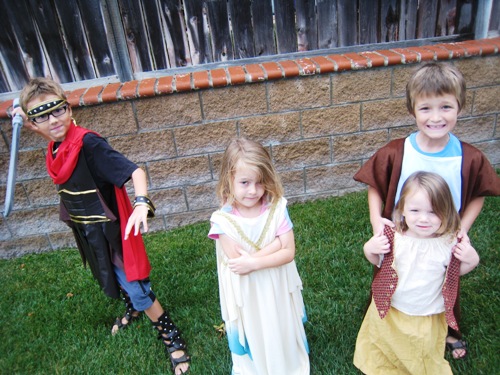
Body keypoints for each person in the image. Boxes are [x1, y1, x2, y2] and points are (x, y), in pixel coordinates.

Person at [14, 77, 190, 375]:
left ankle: (171, 335)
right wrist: (21, 114)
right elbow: (37, 122)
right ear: (33, 123)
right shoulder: (56, 147)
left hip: (114, 232)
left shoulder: (89, 145)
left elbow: (135, 172)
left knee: (136, 287)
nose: (52, 120)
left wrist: (142, 202)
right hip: (89, 229)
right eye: (41, 116)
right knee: (109, 275)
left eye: (57, 111)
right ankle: (134, 308)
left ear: (69, 110)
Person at [353, 62, 500, 359]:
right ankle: (386, 320)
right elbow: (375, 185)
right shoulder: (398, 151)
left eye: (446, 107)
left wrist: (463, 227)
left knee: (445, 280)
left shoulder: (468, 157)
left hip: (442, 233)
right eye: (426, 109)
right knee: (394, 276)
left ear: (460, 107)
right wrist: (375, 221)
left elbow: (478, 196)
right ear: (412, 111)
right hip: (404, 233)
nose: (436, 117)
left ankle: (446, 329)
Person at [353, 171, 480, 374]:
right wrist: (370, 248)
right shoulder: (394, 237)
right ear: (402, 208)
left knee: (421, 347)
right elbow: (378, 262)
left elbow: (455, 274)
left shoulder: (447, 243)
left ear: (446, 212)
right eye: (415, 210)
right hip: (392, 307)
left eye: (433, 212)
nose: (424, 219)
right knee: (387, 340)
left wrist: (472, 259)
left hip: (426, 310)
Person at [208, 138, 310, 375]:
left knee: (279, 322)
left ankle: (286, 361)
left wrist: (254, 261)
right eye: (244, 182)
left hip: (277, 285)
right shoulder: (223, 221)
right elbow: (237, 261)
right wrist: (275, 245)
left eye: (259, 182)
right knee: (259, 327)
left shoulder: (276, 208)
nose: (253, 190)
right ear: (228, 180)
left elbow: (289, 251)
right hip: (249, 294)